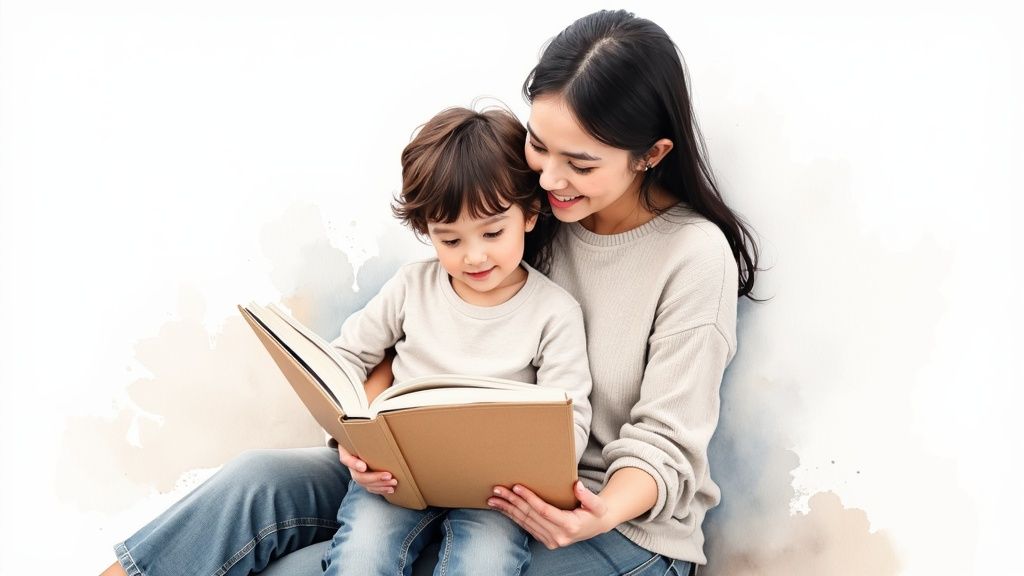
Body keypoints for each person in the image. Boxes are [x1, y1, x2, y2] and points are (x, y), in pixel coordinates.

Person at [102, 9, 759, 576]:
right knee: (254, 484)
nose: (550, 179)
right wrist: (364, 439)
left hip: (609, 525)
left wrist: (595, 514)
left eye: (580, 163)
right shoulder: (524, 210)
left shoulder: (692, 258)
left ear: (651, 153)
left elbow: (666, 444)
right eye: (539, 144)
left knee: (302, 569)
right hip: (441, 471)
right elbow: (414, 332)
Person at [320, 105, 592, 576]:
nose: (474, 256)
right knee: (360, 557)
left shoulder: (554, 312)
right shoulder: (411, 287)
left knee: (484, 564)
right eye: (450, 241)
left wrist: (535, 467)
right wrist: (352, 436)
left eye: (492, 232)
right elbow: (343, 359)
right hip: (399, 477)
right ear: (427, 232)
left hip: (499, 495)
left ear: (529, 214)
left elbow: (571, 423)